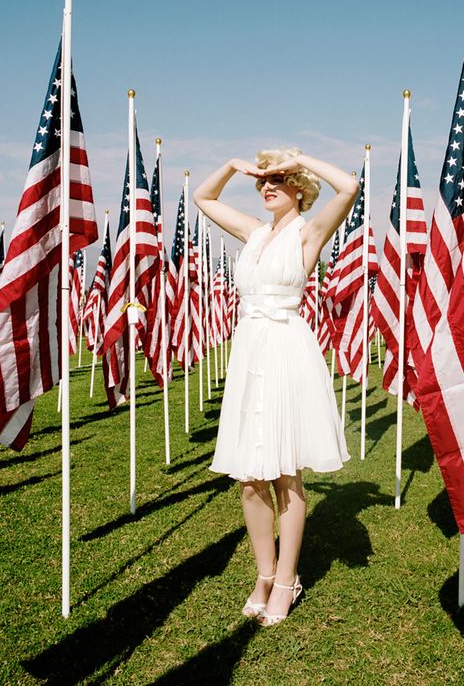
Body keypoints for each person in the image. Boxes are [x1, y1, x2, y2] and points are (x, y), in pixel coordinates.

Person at [193, 148, 358, 626]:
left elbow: (348, 187)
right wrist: (234, 165)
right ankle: (264, 574)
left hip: (287, 352)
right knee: (249, 478)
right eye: (264, 181)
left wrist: (300, 156)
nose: (268, 186)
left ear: (301, 188)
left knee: (286, 472)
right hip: (250, 352)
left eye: (280, 180)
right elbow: (204, 196)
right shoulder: (253, 231)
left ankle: (287, 578)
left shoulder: (309, 232)